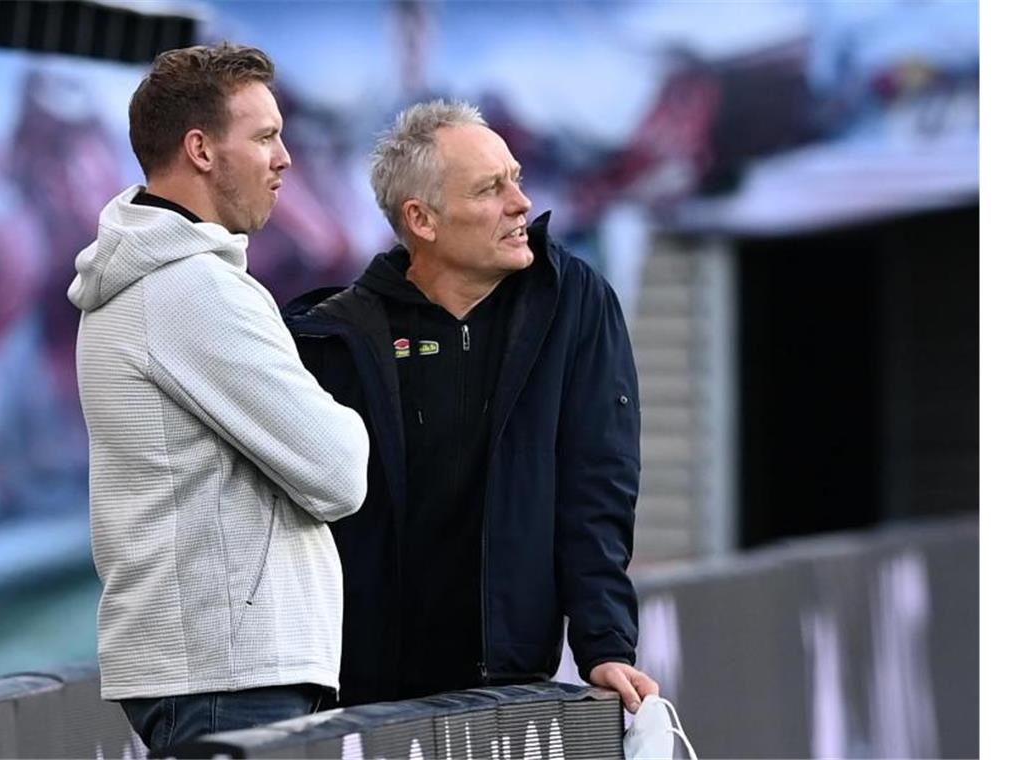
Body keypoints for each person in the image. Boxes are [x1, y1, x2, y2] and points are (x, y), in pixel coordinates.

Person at [284, 100, 659, 711]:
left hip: (508, 690)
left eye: (515, 178)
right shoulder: (332, 338)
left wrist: (606, 645)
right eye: (490, 189)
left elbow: (598, 488)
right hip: (361, 699)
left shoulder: (574, 302)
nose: (521, 204)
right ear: (422, 219)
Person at [67, 43, 369, 752]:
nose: (285, 158)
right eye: (264, 136)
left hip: (220, 673)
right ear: (200, 149)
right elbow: (339, 471)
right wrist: (349, 419)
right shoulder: (191, 290)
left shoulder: (170, 280)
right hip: (228, 679)